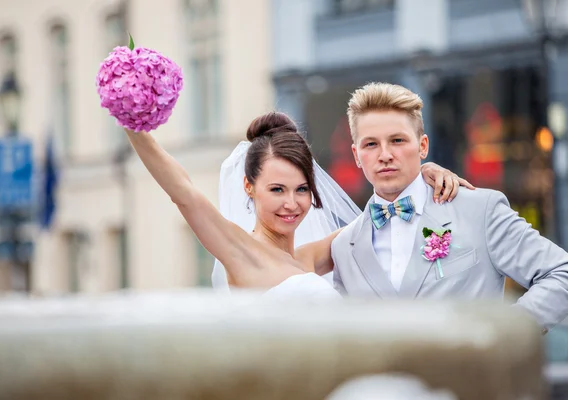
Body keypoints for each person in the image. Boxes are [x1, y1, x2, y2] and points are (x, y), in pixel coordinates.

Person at [122, 108, 466, 296]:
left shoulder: (311, 257)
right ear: (248, 186)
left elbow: (383, 215)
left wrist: (423, 172)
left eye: (302, 189)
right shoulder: (241, 255)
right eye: (277, 190)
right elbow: (183, 191)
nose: (292, 203)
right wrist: (130, 118)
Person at [331, 82, 568, 332]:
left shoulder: (480, 209)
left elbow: (561, 273)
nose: (385, 154)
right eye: (371, 144)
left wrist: (503, 336)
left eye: (397, 140)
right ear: (356, 155)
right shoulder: (344, 246)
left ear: (423, 146)